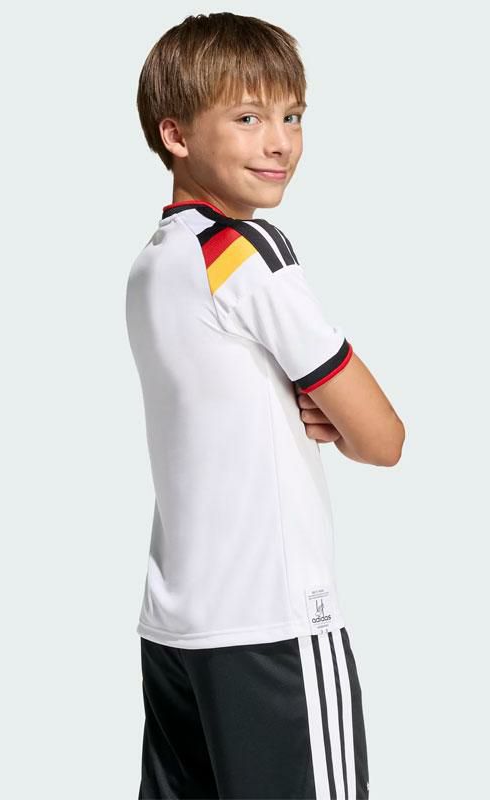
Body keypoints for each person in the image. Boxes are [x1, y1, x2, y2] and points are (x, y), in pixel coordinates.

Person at [126, 12, 405, 799]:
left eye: (293, 116)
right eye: (248, 119)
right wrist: (338, 424)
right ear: (176, 134)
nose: (280, 143)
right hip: (273, 622)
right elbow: (384, 438)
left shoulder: (154, 263)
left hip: (177, 626)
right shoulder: (243, 252)